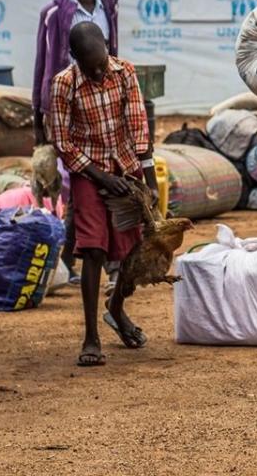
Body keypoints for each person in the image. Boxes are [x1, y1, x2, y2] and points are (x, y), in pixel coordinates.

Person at [50, 22, 158, 367]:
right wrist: (99, 176)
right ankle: (91, 337)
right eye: (89, 66)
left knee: (131, 248)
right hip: (87, 171)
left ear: (108, 47)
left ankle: (116, 309)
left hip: (126, 168)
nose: (97, 72)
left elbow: (139, 125)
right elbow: (63, 143)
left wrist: (149, 178)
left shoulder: (125, 72)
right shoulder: (63, 84)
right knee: (93, 247)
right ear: (73, 58)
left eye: (100, 63)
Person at [32, 0, 121, 287]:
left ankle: (75, 262)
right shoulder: (54, 13)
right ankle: (81, 261)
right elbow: (43, 61)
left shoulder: (108, 7)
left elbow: (114, 56)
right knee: (75, 182)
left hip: (103, 108)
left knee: (100, 179)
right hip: (67, 108)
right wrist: (40, 119)